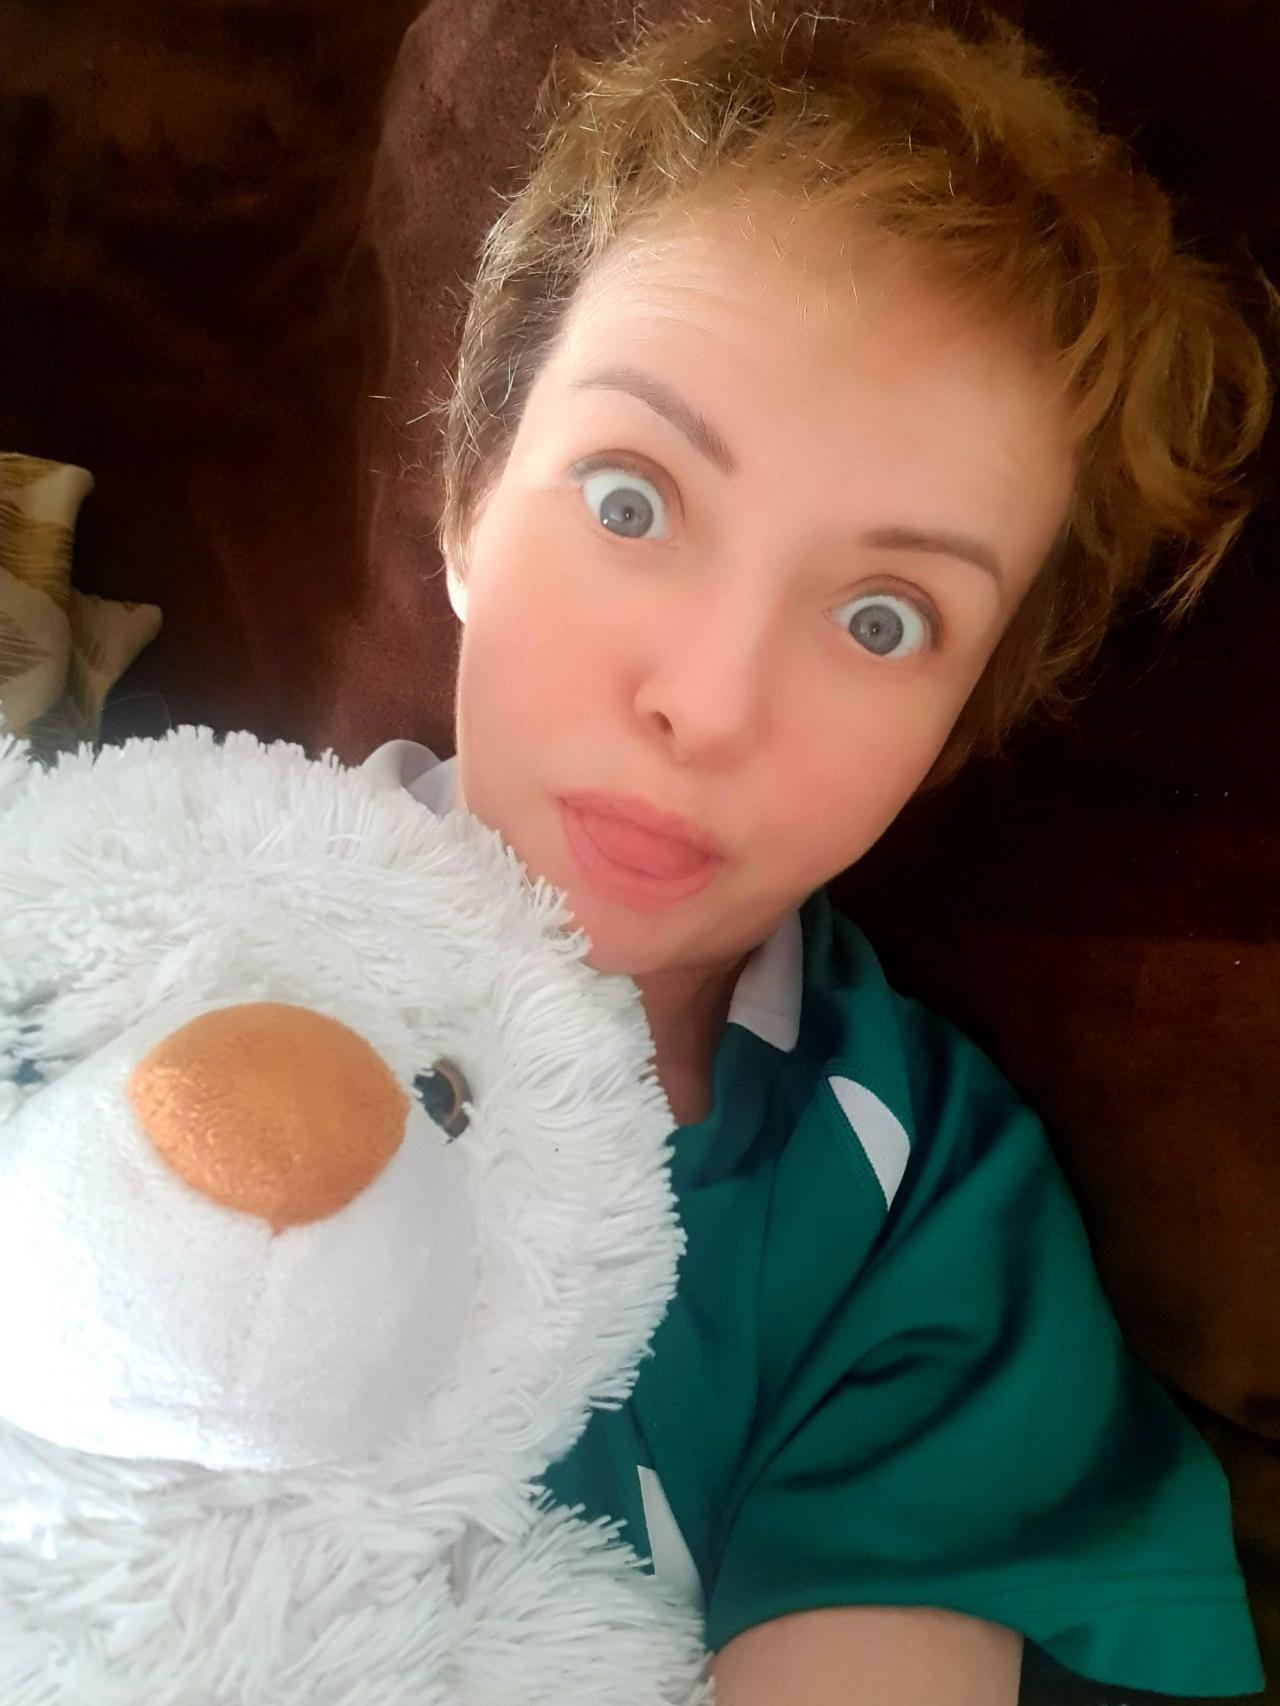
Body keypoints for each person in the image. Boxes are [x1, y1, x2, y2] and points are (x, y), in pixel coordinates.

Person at [364, 2, 1276, 1698]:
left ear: (957, 721)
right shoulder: (117, 923)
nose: (709, 703)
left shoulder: (920, 1213)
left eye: (882, 618)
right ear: (469, 498)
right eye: (631, 499)